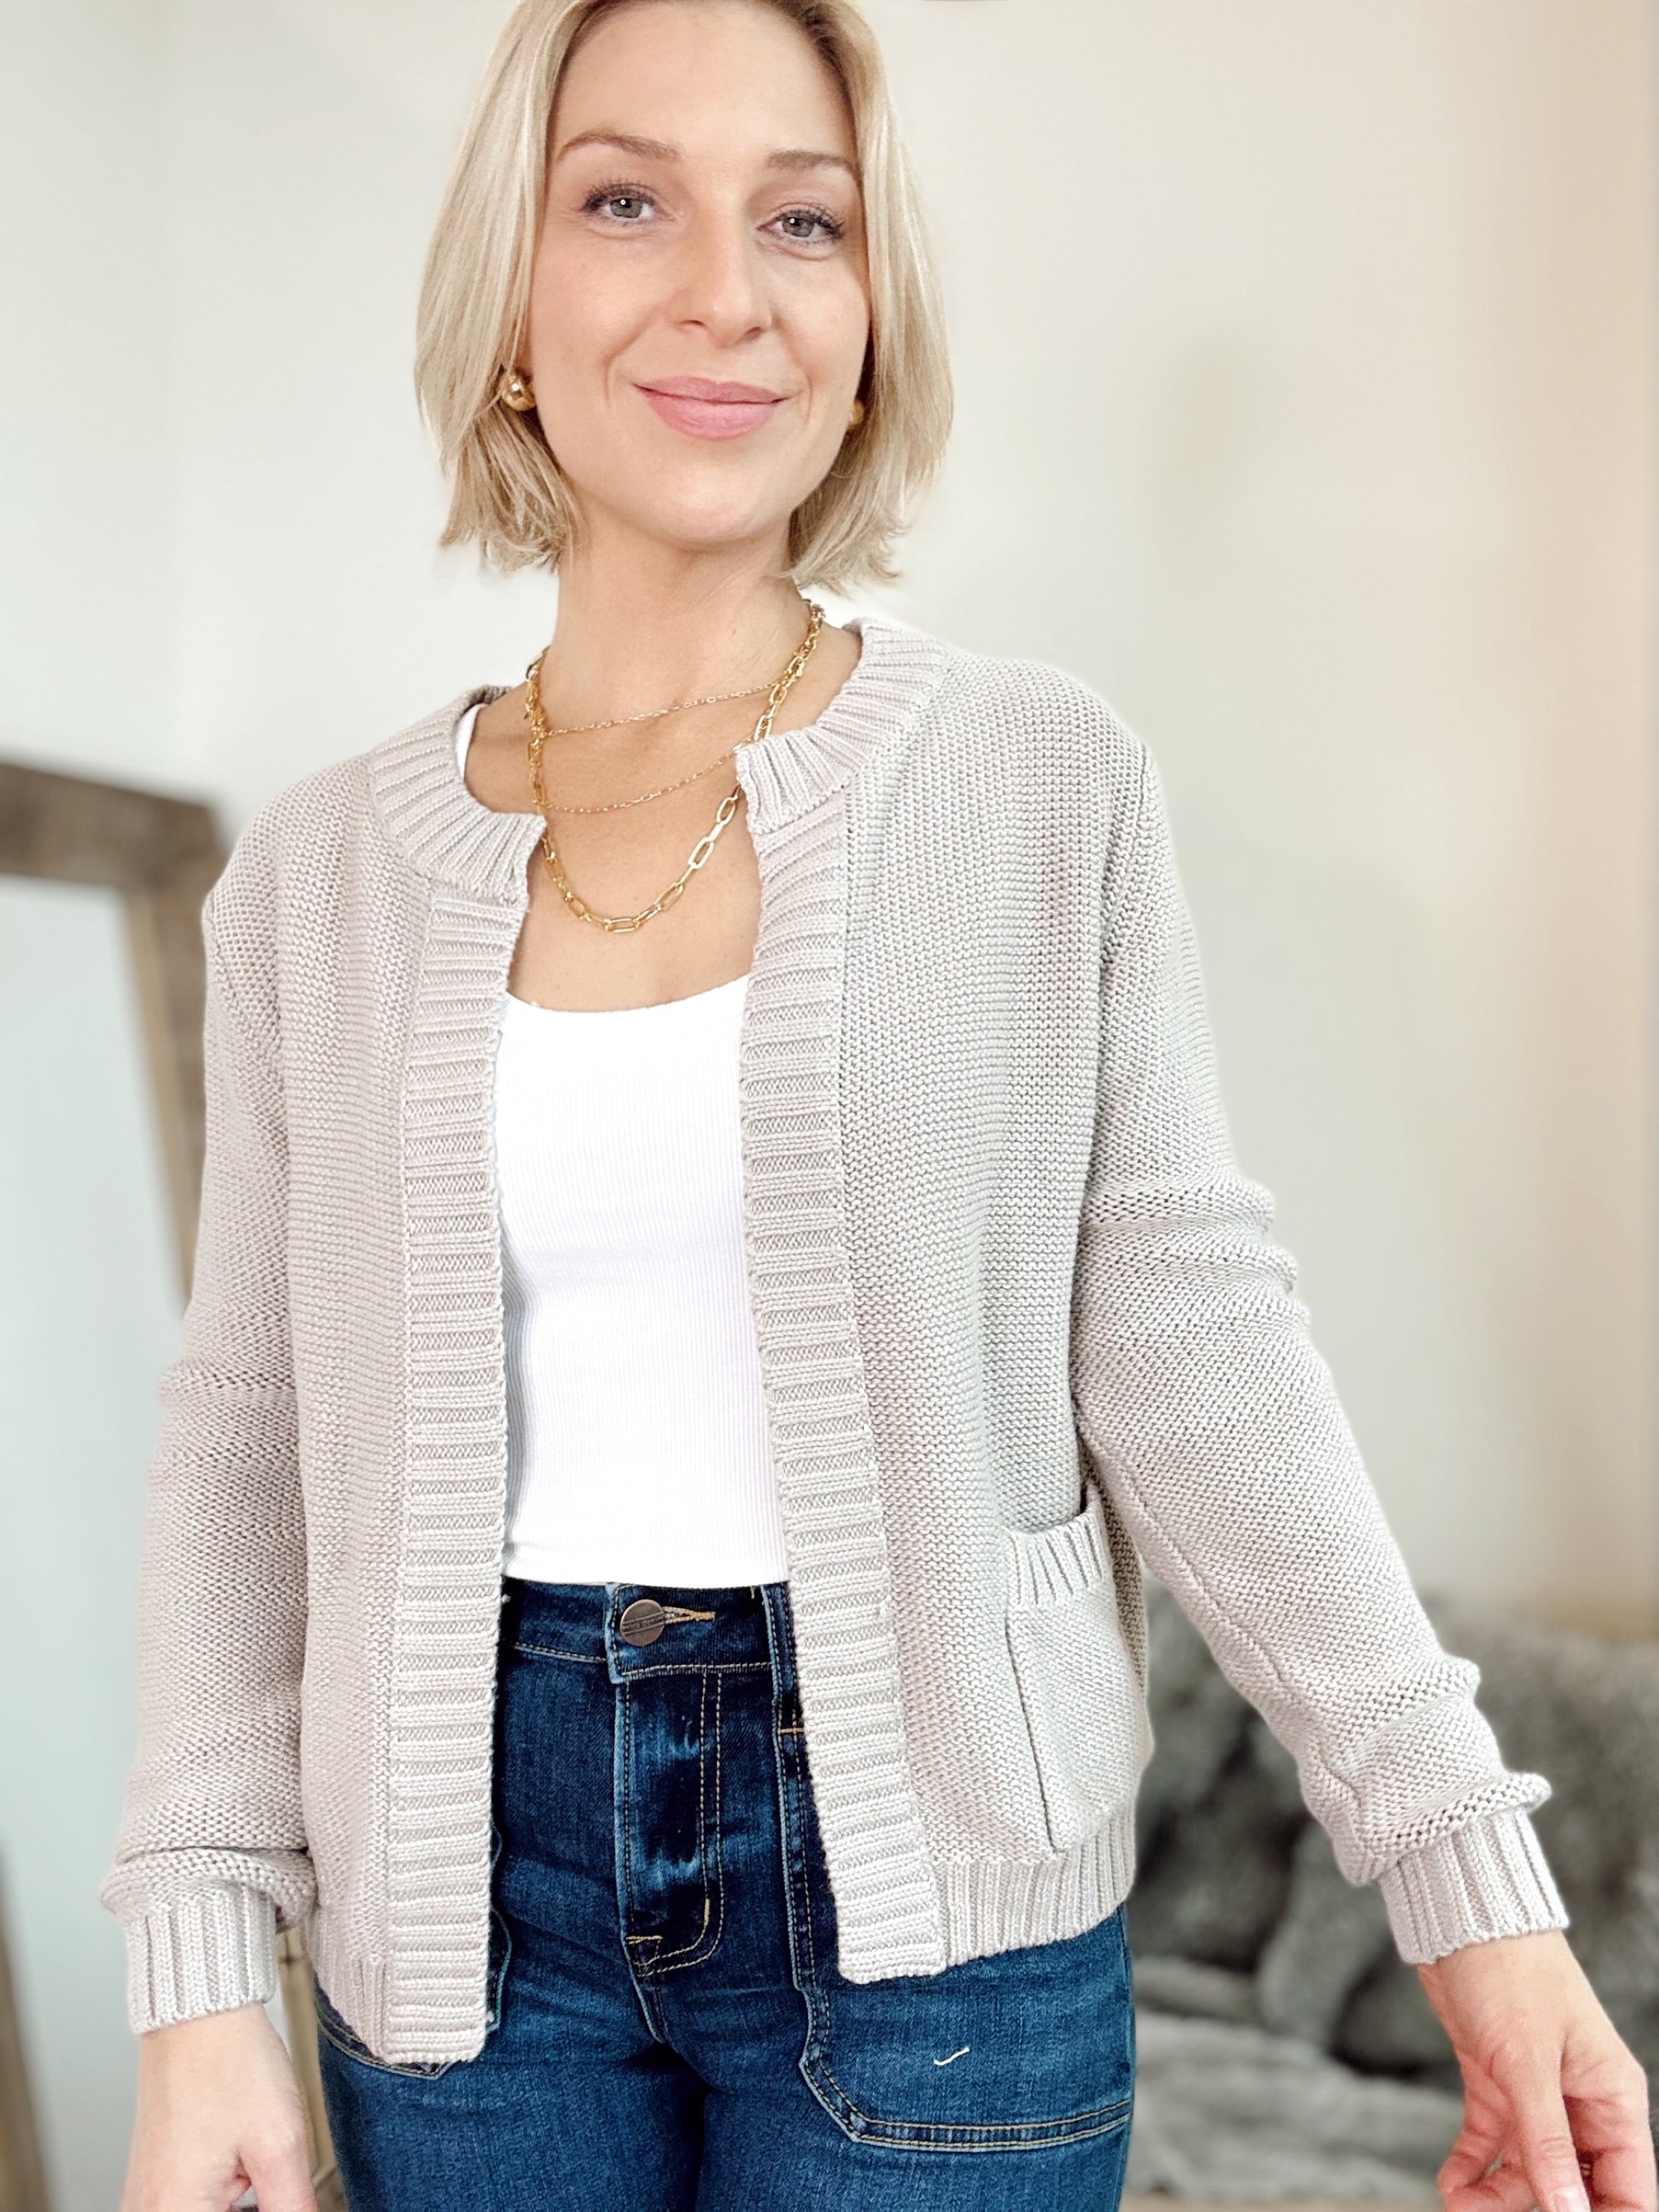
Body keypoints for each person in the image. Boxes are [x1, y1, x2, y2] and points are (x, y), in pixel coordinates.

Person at [102, 1, 1655, 2208]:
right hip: (456, 1925)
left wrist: (1471, 1894)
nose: (723, 288)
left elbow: (1196, 1345)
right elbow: (243, 1432)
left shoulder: (1036, 782)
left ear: (865, 324)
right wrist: (195, 1976)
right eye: (624, 200)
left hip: (942, 1921)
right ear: (510, 304)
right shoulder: (317, 876)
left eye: (803, 221)